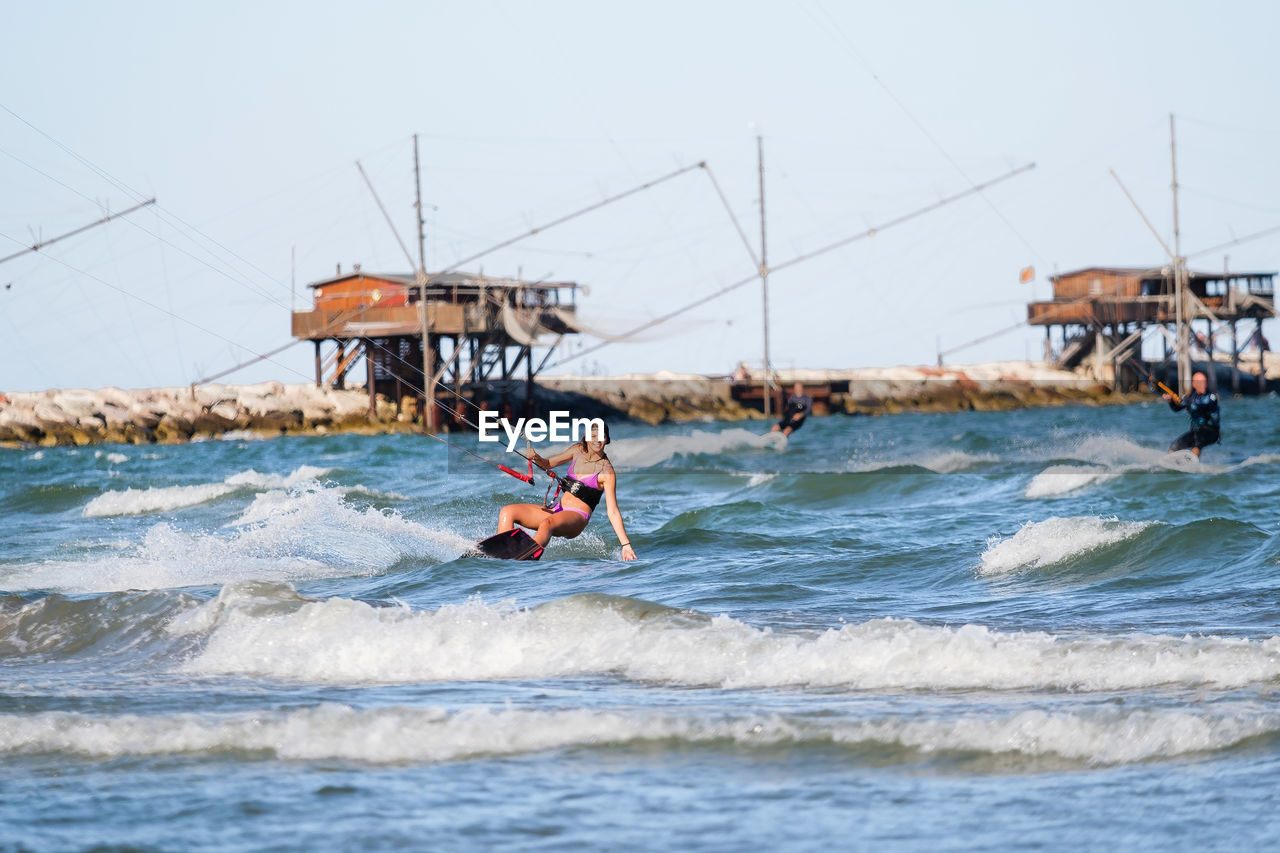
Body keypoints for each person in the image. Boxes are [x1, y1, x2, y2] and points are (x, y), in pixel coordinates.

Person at [496, 421, 637, 560]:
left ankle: (525, 556)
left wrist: (626, 545)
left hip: (577, 517)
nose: (597, 441)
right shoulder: (577, 451)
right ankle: (502, 554)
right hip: (557, 510)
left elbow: (612, 511)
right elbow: (548, 464)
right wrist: (536, 458)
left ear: (606, 440)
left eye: (601, 436)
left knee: (547, 524)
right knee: (508, 512)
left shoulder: (607, 471)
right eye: (593, 436)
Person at [1163, 371, 1220, 457]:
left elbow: (1205, 404)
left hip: (1210, 431)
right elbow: (1177, 409)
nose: (1203, 384)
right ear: (1194, 384)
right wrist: (1171, 401)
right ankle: (1169, 462)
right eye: (1200, 382)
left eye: (1204, 382)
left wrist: (1191, 405)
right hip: (1195, 431)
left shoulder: (1211, 396)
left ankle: (1192, 463)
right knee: (1174, 446)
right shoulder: (1190, 398)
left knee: (1198, 443)